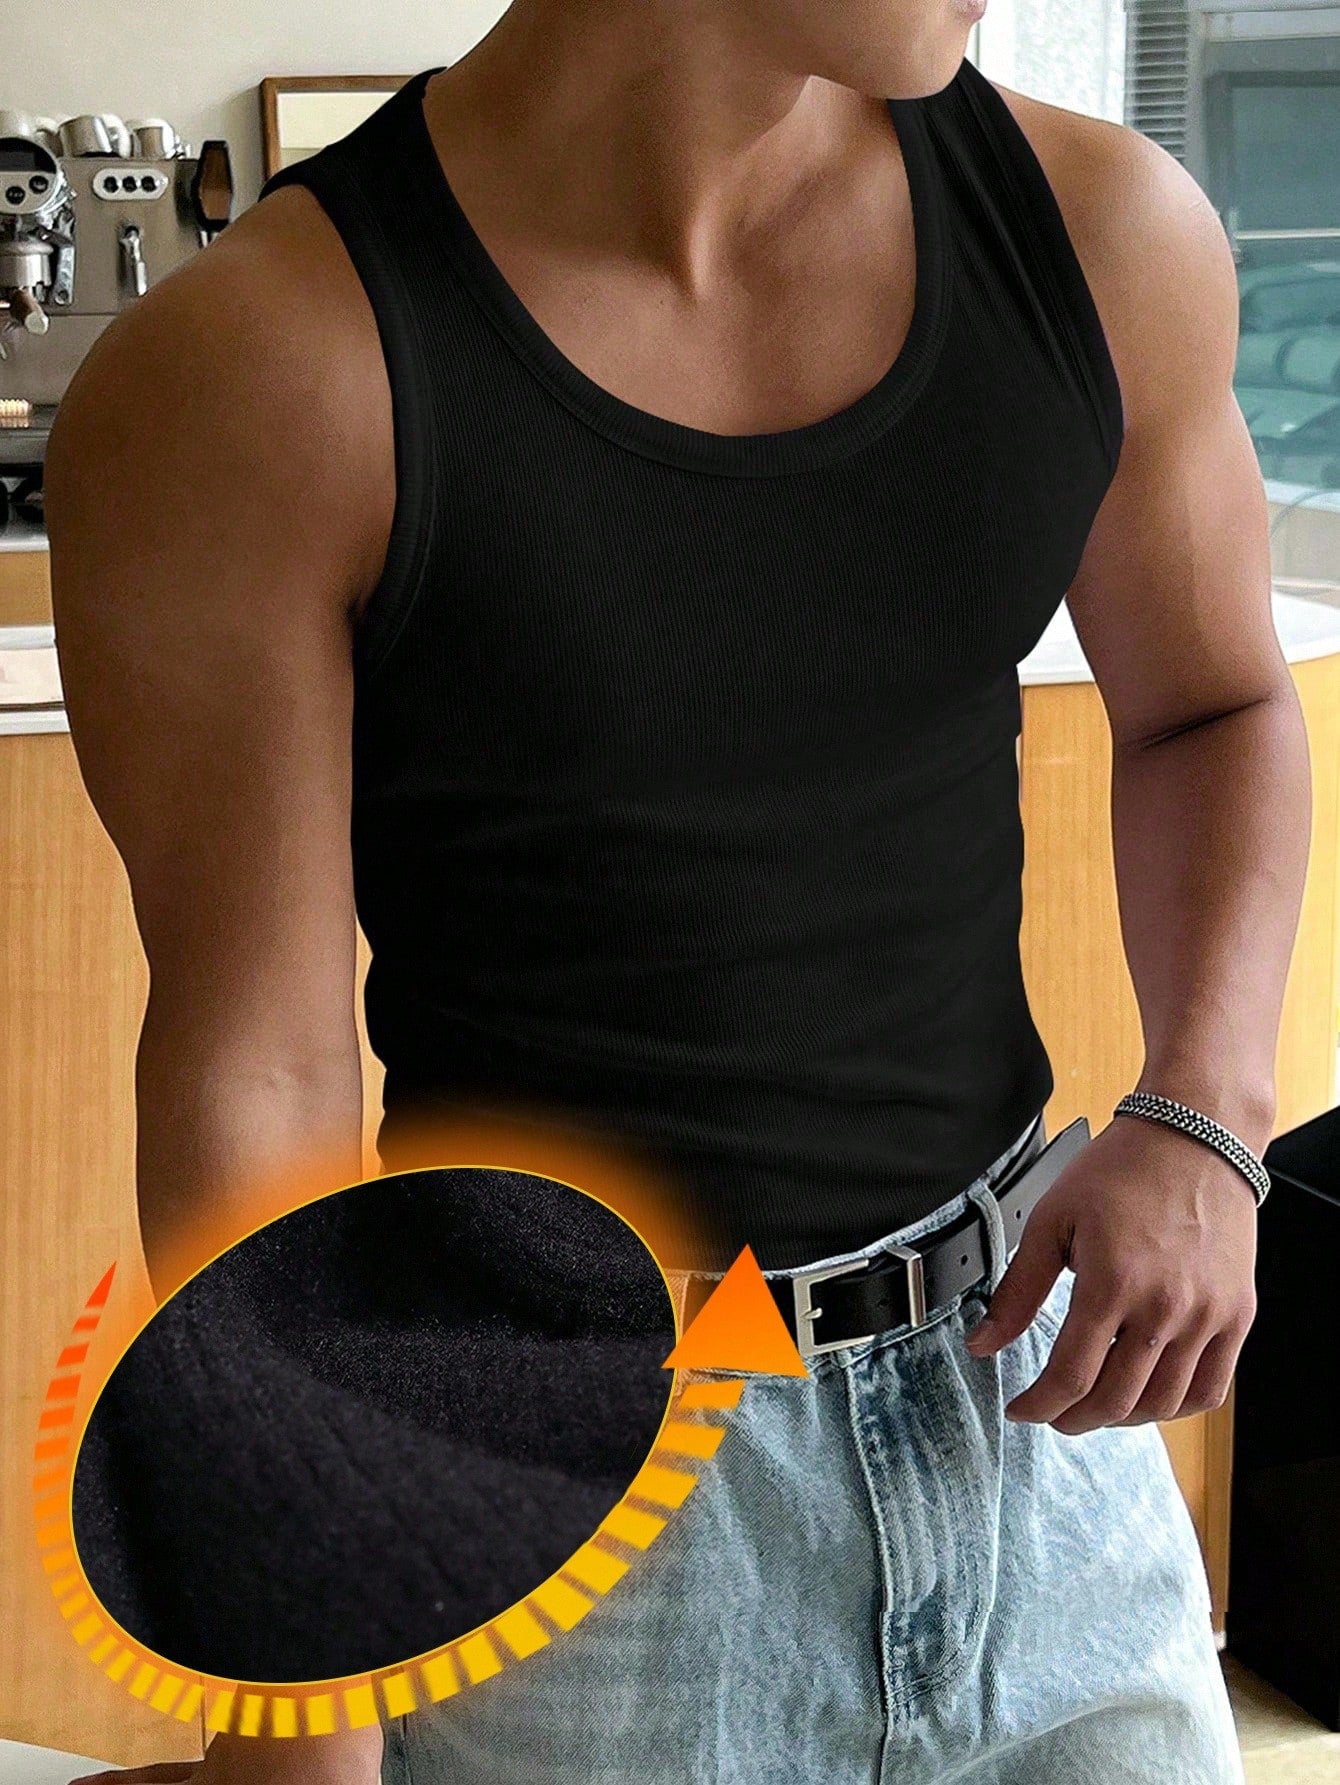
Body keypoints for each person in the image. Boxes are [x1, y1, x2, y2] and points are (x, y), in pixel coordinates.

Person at [48, 0, 1309, 1777]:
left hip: (1034, 1423)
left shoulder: (1103, 237)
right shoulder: (260, 372)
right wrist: (298, 1708)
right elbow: (262, 1076)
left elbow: (1216, 704)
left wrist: (1208, 1114)